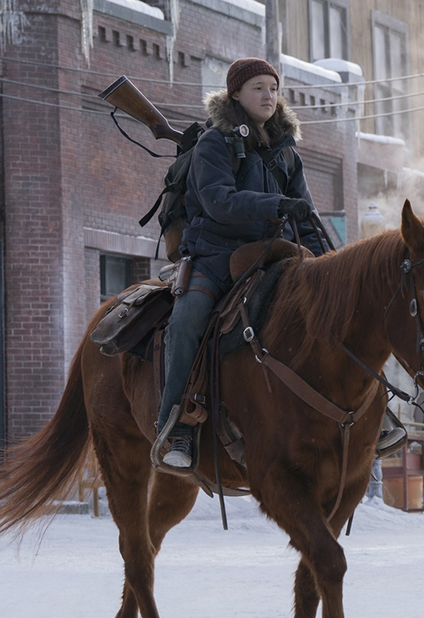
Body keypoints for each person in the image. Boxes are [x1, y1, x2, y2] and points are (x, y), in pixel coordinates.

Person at [155, 58, 324, 468]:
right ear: (235, 94)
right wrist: (277, 205)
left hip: (275, 256)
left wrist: (328, 264)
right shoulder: (215, 142)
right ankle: (176, 427)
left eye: (273, 88)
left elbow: (308, 218)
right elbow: (218, 202)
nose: (269, 96)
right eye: (258, 88)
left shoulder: (287, 151)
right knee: (187, 320)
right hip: (216, 255)